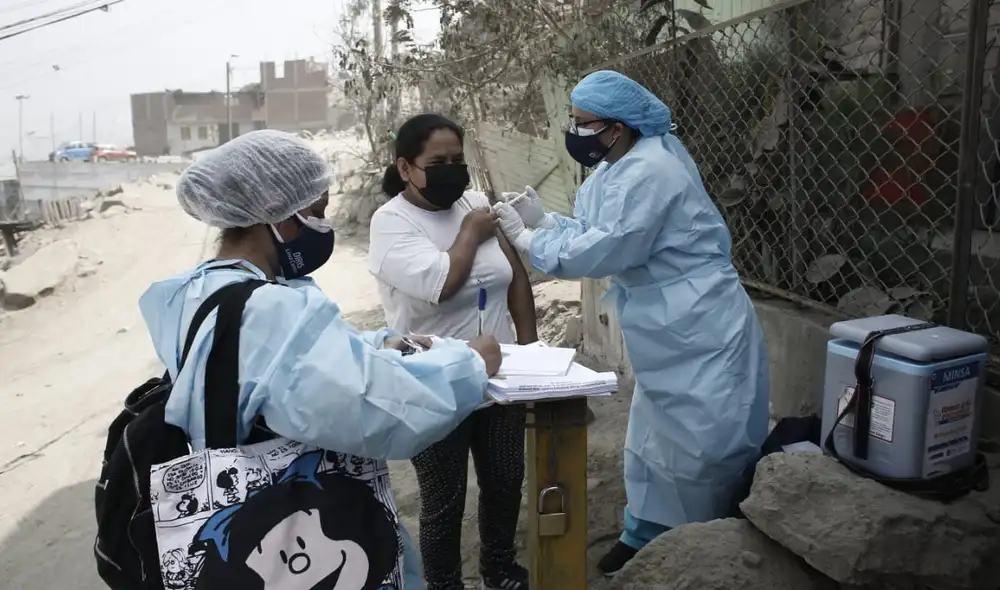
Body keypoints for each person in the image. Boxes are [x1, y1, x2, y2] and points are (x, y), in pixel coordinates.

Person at [139, 129, 503, 589]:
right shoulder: (271, 309)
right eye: (317, 213)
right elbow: (374, 410)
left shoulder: (201, 291)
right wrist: (471, 364)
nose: (323, 226)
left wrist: (375, 346)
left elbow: (280, 370)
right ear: (275, 215)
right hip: (291, 527)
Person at [493, 71, 771, 575]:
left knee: (704, 441)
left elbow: (610, 247)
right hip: (663, 322)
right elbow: (594, 228)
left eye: (582, 123)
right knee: (652, 438)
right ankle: (644, 531)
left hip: (701, 319)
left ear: (616, 127)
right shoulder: (613, 167)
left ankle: (704, 545)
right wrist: (544, 221)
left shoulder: (654, 170)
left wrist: (531, 243)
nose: (573, 132)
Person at [367, 113, 537, 590]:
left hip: (500, 375)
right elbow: (441, 285)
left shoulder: (475, 202)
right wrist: (468, 234)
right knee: (444, 502)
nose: (451, 169)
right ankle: (444, 584)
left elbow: (514, 279)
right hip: (433, 384)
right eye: (437, 161)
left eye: (458, 160)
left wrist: (531, 353)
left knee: (505, 483)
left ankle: (500, 570)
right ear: (405, 168)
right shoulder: (391, 223)